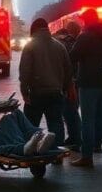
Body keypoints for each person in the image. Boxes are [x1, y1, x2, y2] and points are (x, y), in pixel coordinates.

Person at [69, 9, 102, 167]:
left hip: (88, 84)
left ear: (87, 20)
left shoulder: (85, 37)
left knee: (88, 121)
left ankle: (87, 156)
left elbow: (72, 56)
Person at [20, 18, 72, 154]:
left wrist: (24, 92)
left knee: (31, 125)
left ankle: (31, 152)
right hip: (56, 93)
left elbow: (25, 72)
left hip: (36, 93)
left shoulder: (30, 46)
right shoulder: (59, 46)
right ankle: (56, 153)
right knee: (56, 123)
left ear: (33, 30)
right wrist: (64, 89)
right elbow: (68, 70)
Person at [55, 22, 83, 152]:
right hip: (77, 80)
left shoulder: (64, 43)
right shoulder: (79, 41)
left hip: (69, 82)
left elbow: (66, 64)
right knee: (72, 111)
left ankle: (75, 139)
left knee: (69, 112)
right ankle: (74, 138)